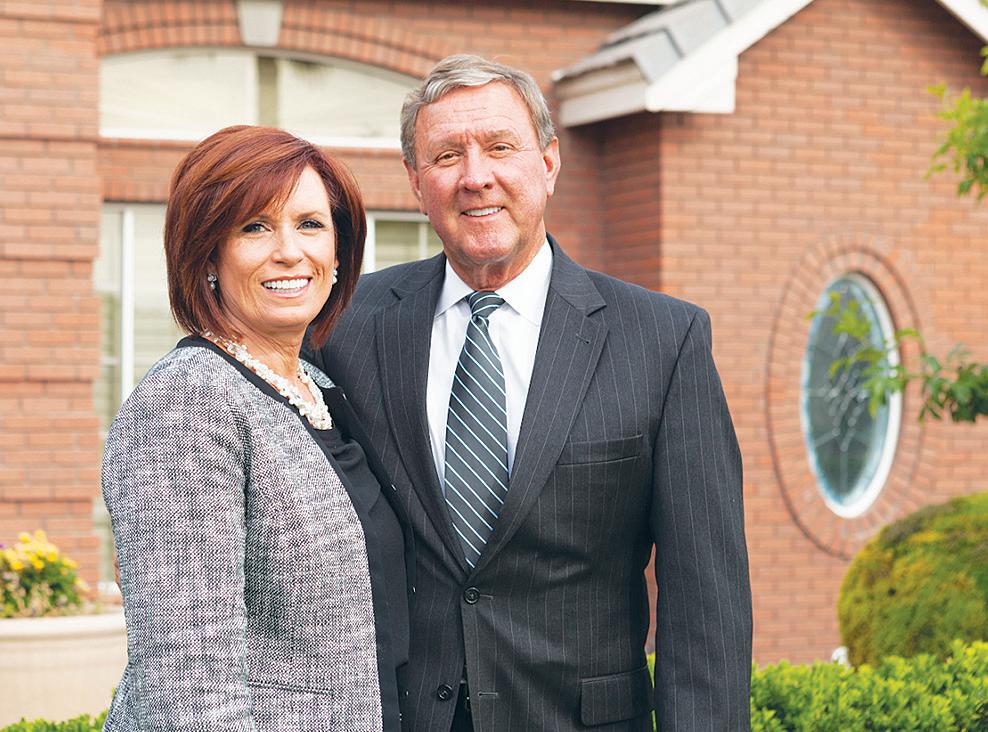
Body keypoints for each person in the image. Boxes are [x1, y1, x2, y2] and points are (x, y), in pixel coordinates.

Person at [310, 55, 753, 731]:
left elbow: (706, 603)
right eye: (447, 156)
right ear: (416, 183)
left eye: (499, 147)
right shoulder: (344, 326)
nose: (475, 176)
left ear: (547, 164)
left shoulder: (663, 341)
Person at [102, 125, 412, 731]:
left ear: (339, 252)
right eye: (255, 227)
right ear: (207, 254)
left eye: (310, 224)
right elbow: (187, 688)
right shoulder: (189, 401)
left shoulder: (317, 389)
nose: (290, 251)